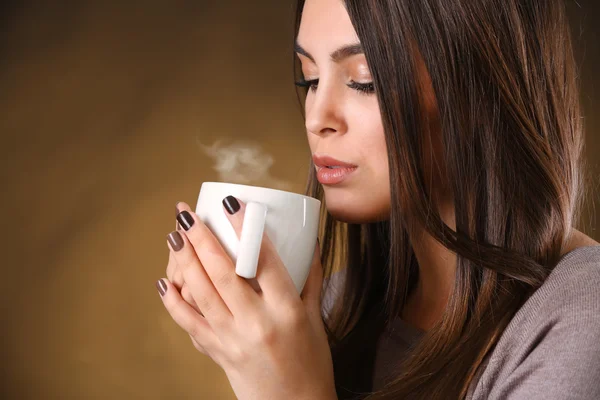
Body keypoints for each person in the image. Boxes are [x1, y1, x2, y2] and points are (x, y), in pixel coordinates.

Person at [156, 0, 600, 399]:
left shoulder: (581, 320)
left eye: (364, 80)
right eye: (309, 78)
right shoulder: (334, 308)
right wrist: (252, 356)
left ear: (482, 82)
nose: (316, 117)